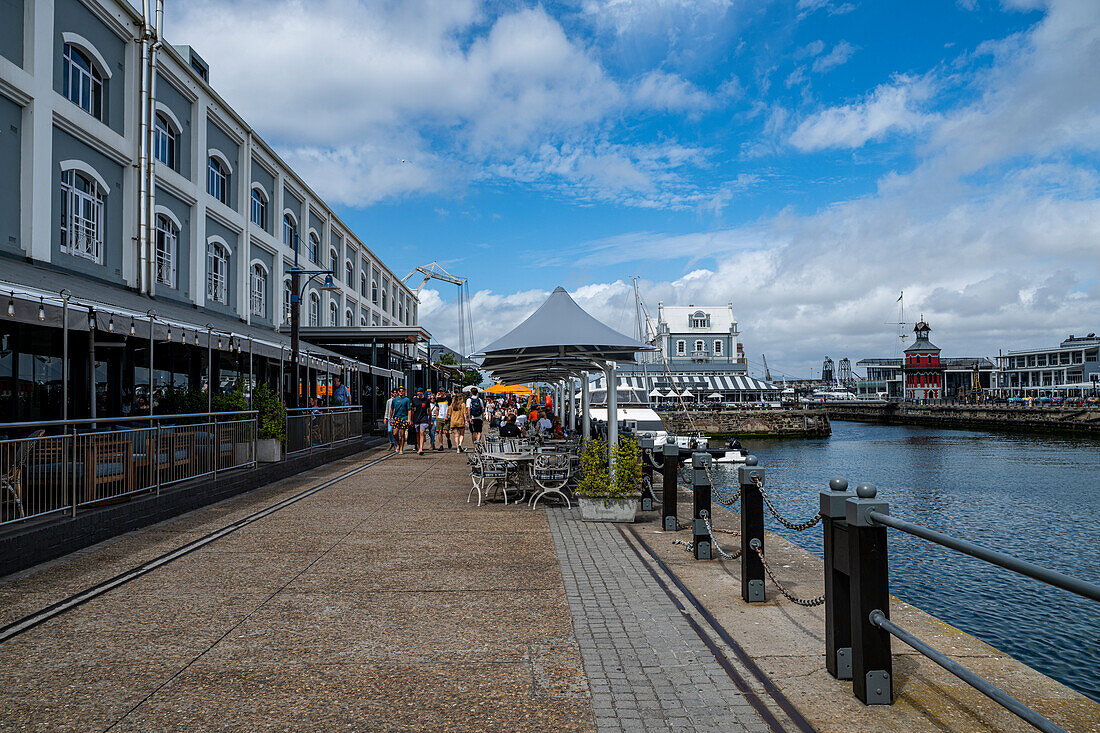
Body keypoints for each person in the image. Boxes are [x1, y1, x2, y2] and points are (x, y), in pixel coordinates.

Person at [389, 387, 411, 455]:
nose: (401, 392)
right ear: (398, 392)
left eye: (402, 391)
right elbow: (392, 409)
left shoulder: (407, 400)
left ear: (404, 392)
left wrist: (409, 419)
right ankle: (398, 443)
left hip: (404, 418)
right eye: (400, 391)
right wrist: (390, 418)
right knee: (395, 433)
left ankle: (401, 448)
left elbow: (409, 410)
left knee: (402, 434)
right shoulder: (394, 400)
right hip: (396, 418)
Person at [410, 387, 432, 456]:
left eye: (420, 392)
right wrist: (411, 419)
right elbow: (412, 410)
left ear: (423, 393)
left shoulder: (426, 400)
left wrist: (430, 419)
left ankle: (421, 448)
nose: (419, 394)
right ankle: (419, 447)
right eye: (418, 393)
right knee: (417, 434)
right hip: (416, 419)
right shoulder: (414, 400)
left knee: (422, 432)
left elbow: (429, 410)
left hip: (424, 418)